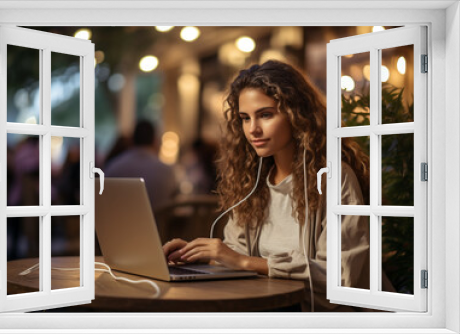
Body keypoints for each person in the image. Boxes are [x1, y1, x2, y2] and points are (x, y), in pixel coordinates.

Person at [163, 60, 373, 312]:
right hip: (265, 309)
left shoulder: (332, 178)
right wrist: (201, 255)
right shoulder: (252, 181)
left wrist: (243, 262)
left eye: (265, 115)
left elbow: (341, 275)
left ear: (298, 115)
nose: (253, 130)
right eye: (245, 118)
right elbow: (238, 254)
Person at [105, 120, 178, 211]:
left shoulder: (114, 166)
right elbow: (175, 201)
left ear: (132, 139)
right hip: (158, 224)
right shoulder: (167, 171)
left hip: (121, 223)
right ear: (154, 141)